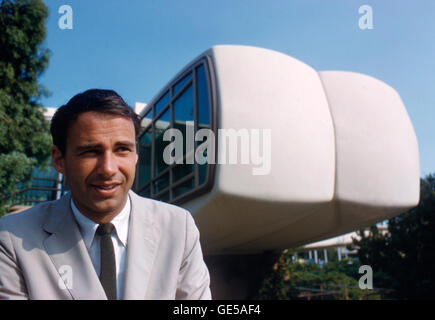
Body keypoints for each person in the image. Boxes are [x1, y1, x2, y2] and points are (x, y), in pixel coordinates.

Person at [0, 89, 211, 300]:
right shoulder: (12, 239)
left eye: (122, 149)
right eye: (91, 151)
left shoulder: (178, 228)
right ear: (59, 160)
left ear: (136, 155)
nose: (108, 168)